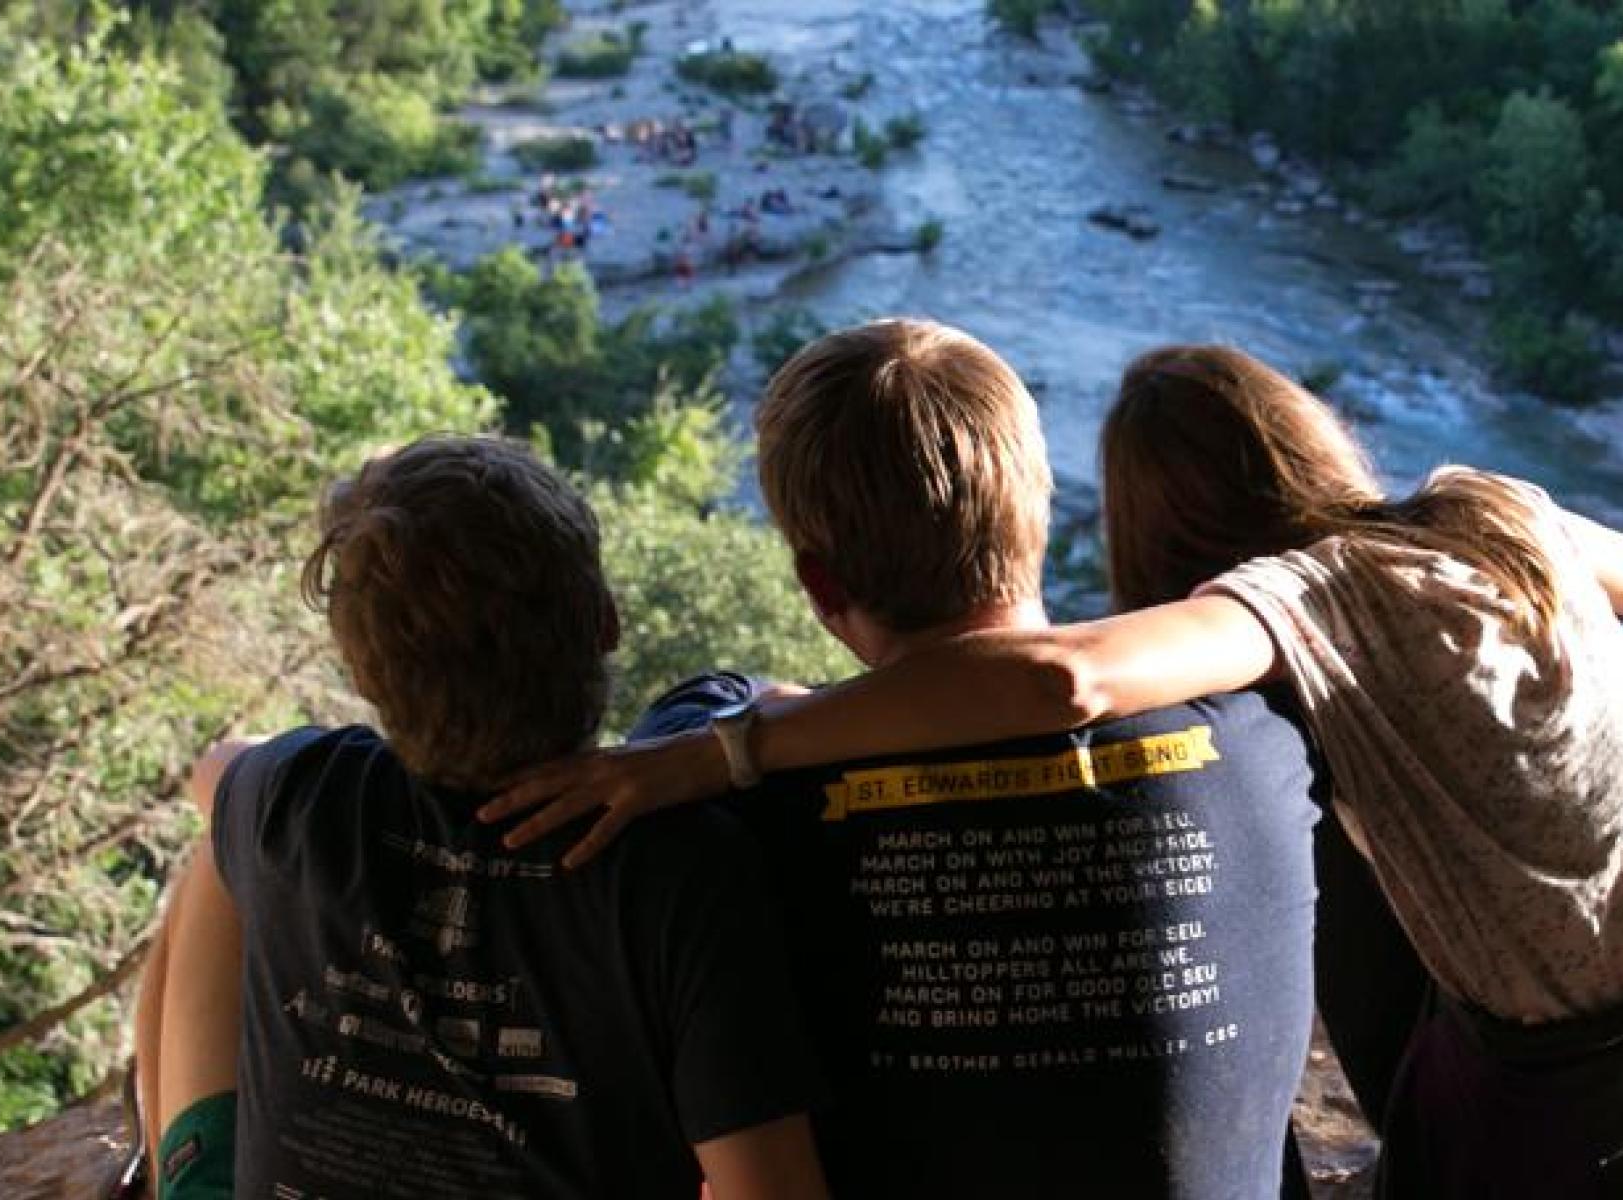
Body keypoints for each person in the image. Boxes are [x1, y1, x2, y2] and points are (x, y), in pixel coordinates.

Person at [486, 345, 1623, 1199]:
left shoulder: (1301, 601)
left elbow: (1063, 679)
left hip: (1591, 1136)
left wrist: (734, 749)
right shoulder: (1487, 508)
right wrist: (1608, 691)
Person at [532, 320, 1329, 1199]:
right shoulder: (1264, 739)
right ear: (1037, 511)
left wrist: (742, 721)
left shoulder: (732, 825)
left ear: (819, 584)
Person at [129, 436, 831, 1200]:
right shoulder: (677, 870)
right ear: (606, 623)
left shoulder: (298, 796)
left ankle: (178, 1178)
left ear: (363, 673)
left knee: (221, 849)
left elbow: (216, 768)